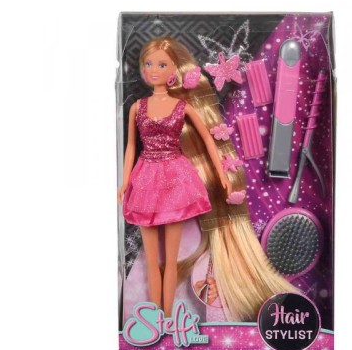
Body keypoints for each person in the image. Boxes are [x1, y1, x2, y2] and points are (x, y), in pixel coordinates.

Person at [118, 36, 297, 321]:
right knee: (153, 260)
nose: (153, 70)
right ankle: (156, 320)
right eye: (148, 64)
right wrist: (125, 181)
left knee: (171, 260)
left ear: (174, 68)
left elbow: (209, 142)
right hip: (146, 179)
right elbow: (131, 147)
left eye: (161, 65)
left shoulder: (183, 107)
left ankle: (166, 319)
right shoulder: (137, 108)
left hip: (175, 180)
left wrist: (223, 175)